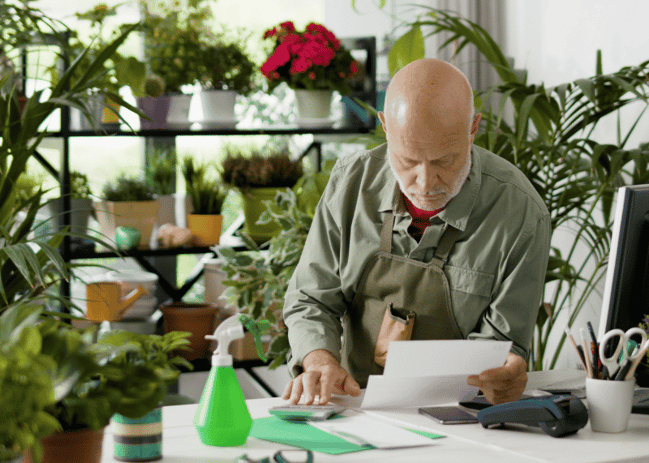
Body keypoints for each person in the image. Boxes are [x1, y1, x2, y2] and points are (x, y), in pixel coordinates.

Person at [281, 58, 551, 406]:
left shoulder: (521, 213)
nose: (425, 183)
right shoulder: (350, 184)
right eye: (407, 161)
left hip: (458, 413)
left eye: (444, 161)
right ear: (385, 127)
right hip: (351, 404)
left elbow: (503, 346)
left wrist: (504, 375)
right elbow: (311, 298)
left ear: (473, 129)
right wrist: (319, 361)